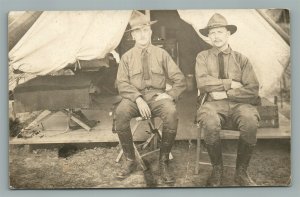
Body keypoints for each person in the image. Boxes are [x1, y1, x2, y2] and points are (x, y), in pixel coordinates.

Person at [114, 10, 186, 183]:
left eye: (145, 30)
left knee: (171, 113)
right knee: (121, 113)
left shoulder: (162, 54)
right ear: (132, 35)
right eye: (138, 31)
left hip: (156, 97)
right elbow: (122, 84)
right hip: (133, 99)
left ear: (151, 32)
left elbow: (180, 80)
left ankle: (163, 162)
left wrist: (169, 95)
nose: (142, 35)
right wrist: (138, 99)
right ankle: (130, 160)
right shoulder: (127, 57)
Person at [195, 13, 260, 186]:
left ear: (228, 34)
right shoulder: (202, 57)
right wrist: (230, 83)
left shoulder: (242, 59)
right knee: (209, 121)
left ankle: (241, 172)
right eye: (212, 33)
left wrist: (226, 93)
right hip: (212, 104)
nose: (216, 36)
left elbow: (253, 90)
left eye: (219, 32)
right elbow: (203, 82)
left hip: (240, 105)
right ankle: (217, 169)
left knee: (250, 121)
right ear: (208, 36)